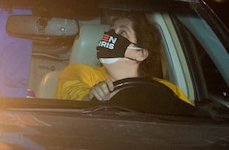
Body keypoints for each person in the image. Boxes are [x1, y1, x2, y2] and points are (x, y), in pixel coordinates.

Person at [55, 12, 192, 104]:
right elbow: (73, 98)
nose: (112, 36)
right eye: (112, 30)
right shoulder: (79, 71)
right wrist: (92, 96)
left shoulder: (166, 90)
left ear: (140, 53)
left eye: (123, 32)